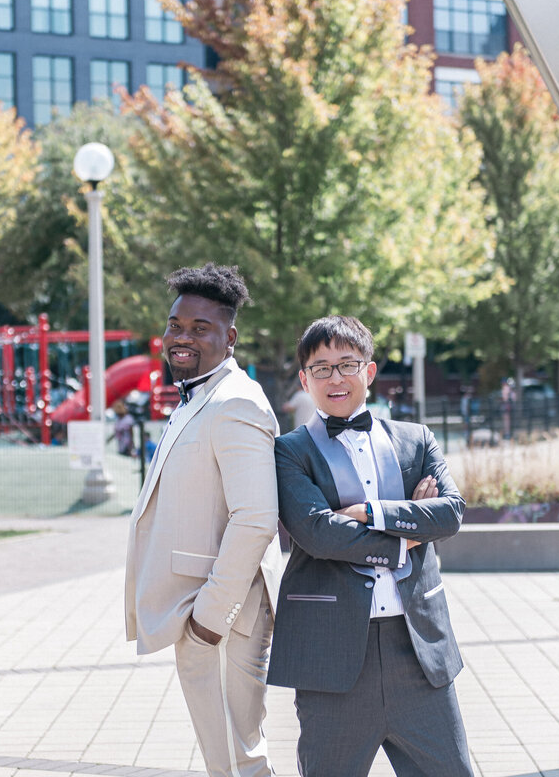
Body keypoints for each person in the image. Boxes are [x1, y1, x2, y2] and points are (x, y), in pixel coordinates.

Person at [268, 315, 472, 777]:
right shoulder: (289, 451)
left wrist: (370, 512)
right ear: (305, 379)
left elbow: (451, 512)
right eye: (321, 368)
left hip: (418, 654)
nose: (335, 378)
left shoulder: (416, 440)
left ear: (370, 371)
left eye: (347, 364)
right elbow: (319, 533)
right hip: (332, 661)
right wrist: (408, 536)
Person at [125, 264, 282, 777]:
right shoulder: (201, 395)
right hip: (207, 615)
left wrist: (209, 622)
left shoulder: (235, 401)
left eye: (200, 329)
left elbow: (256, 519)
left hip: (220, 619)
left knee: (240, 761)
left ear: (230, 338)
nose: (182, 338)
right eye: (175, 326)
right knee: (228, 761)